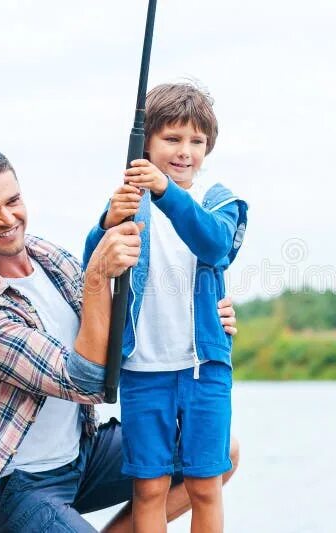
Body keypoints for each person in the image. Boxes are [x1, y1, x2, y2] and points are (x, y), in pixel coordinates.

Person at [0, 145, 240, 532]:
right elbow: (81, 380)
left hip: (82, 456)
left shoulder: (47, 256)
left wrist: (207, 318)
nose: (7, 218)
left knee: (221, 453)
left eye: (12, 200)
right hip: (14, 485)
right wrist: (98, 274)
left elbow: (122, 321)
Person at [83, 82, 247, 532]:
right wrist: (106, 223)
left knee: (204, 485)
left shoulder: (219, 199)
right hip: (142, 370)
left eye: (196, 141)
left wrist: (166, 194)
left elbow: (215, 245)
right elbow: (93, 269)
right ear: (147, 143)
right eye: (172, 139)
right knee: (149, 488)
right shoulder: (130, 202)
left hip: (204, 368)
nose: (185, 151)